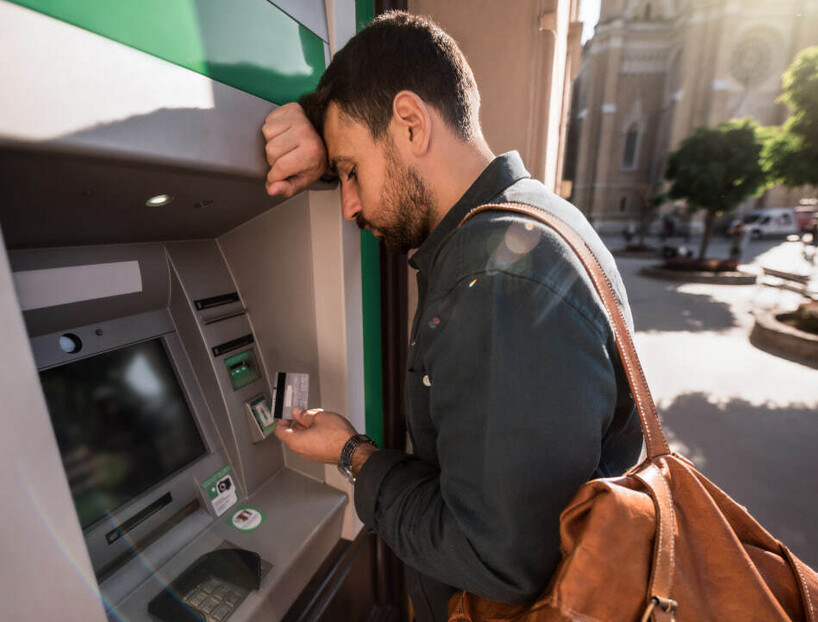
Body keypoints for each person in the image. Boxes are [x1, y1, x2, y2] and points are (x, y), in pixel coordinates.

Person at [261, 12, 642, 622]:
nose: (348, 205)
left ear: (411, 123)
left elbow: (495, 558)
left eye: (351, 170)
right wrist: (322, 131)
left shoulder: (496, 279)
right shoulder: (534, 218)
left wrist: (353, 454)